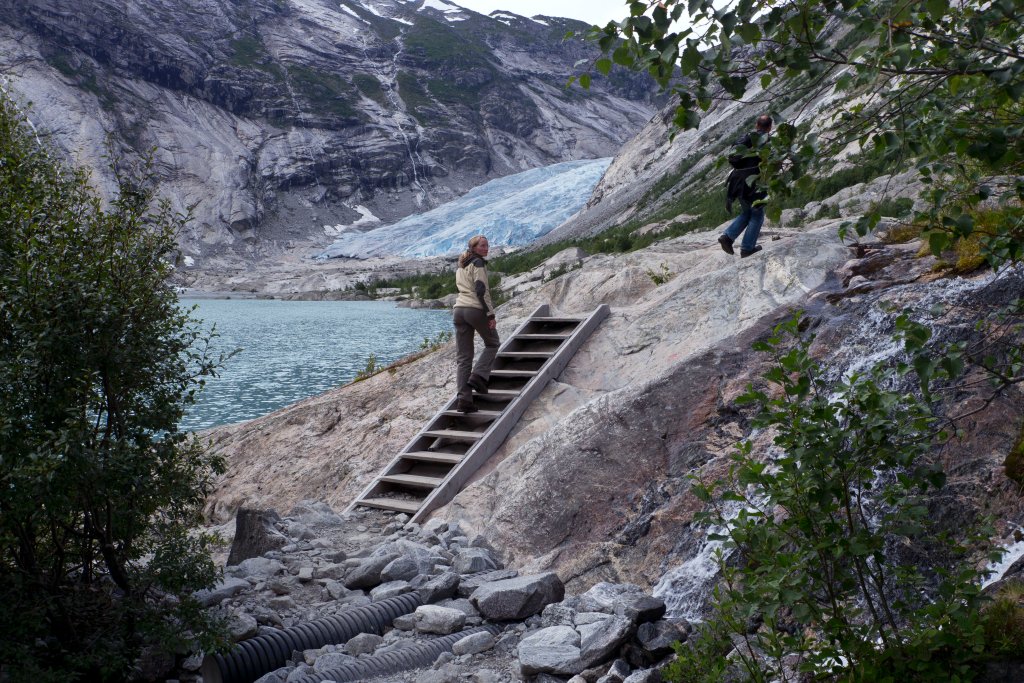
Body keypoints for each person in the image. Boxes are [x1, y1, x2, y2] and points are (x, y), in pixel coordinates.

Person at [452, 235, 499, 413]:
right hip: (474, 309)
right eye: (482, 246)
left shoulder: (461, 266)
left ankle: (464, 400)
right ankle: (478, 376)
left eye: (487, 245)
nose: (486, 248)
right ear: (473, 248)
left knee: (463, 358)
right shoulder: (478, 263)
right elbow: (481, 290)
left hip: (458, 311)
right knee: (493, 343)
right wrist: (490, 315)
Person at [719, 114, 773, 258]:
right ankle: (747, 248)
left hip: (737, 181)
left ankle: (728, 237)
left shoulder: (746, 137)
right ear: (769, 127)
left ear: (756, 125)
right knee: (757, 215)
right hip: (753, 182)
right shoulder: (767, 141)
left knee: (747, 212)